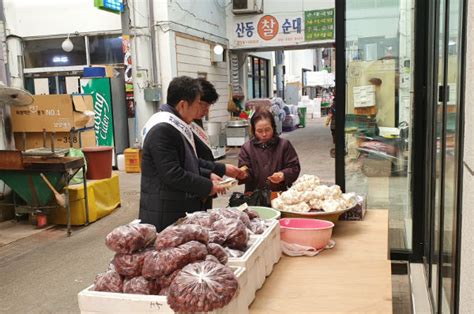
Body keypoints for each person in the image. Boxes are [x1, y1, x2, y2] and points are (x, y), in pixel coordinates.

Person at [139, 76, 230, 231]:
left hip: (177, 205)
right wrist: (208, 186)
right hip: (165, 211)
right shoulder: (162, 129)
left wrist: (207, 174)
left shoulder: (177, 124)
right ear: (182, 105)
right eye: (196, 104)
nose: (198, 110)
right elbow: (173, 174)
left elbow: (186, 161)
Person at [191, 78, 242, 209]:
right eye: (204, 105)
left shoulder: (195, 120)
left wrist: (213, 175)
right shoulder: (179, 126)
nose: (206, 111)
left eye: (209, 106)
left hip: (206, 186)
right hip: (194, 189)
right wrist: (219, 170)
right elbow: (189, 162)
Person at [237, 109, 301, 193]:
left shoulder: (284, 145)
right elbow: (245, 169)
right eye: (259, 131)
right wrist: (242, 174)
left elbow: (294, 167)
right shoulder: (247, 148)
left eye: (267, 130)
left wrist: (283, 175)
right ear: (253, 130)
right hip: (254, 196)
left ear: (273, 128)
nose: (264, 134)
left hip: (278, 195)